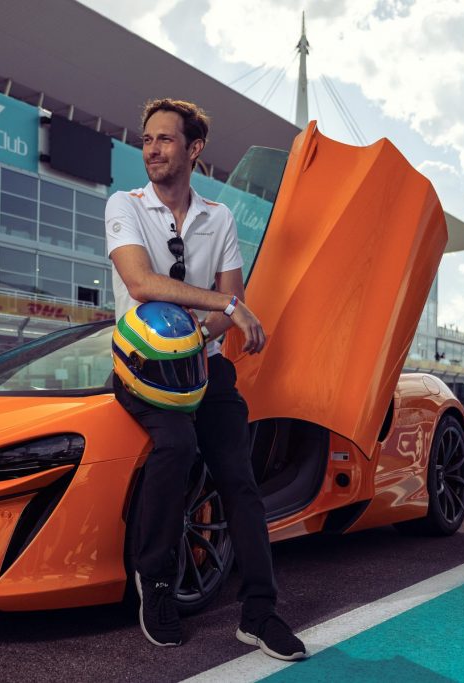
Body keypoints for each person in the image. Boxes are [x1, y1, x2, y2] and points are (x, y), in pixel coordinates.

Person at [105, 98, 306, 660]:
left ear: (193, 149)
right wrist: (223, 306)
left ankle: (260, 611)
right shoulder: (125, 204)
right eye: (147, 139)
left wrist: (209, 323)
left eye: (165, 140)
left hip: (204, 363)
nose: (151, 149)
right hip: (142, 364)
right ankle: (157, 583)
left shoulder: (217, 217)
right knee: (175, 444)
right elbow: (141, 283)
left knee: (239, 476)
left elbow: (230, 307)